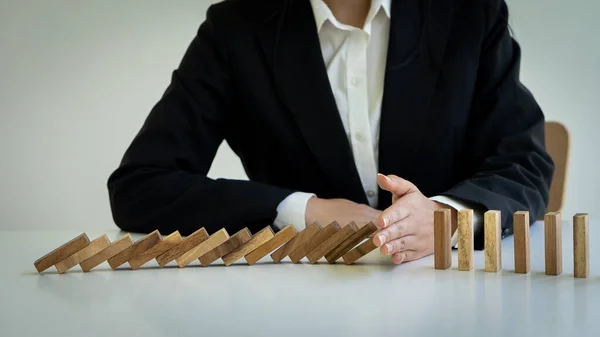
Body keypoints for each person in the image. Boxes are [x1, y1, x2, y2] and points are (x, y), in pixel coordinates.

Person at [107, 0, 554, 265]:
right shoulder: (236, 28)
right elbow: (140, 185)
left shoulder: (467, 12)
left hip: (457, 297)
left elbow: (525, 163)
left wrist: (447, 216)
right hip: (297, 303)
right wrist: (301, 211)